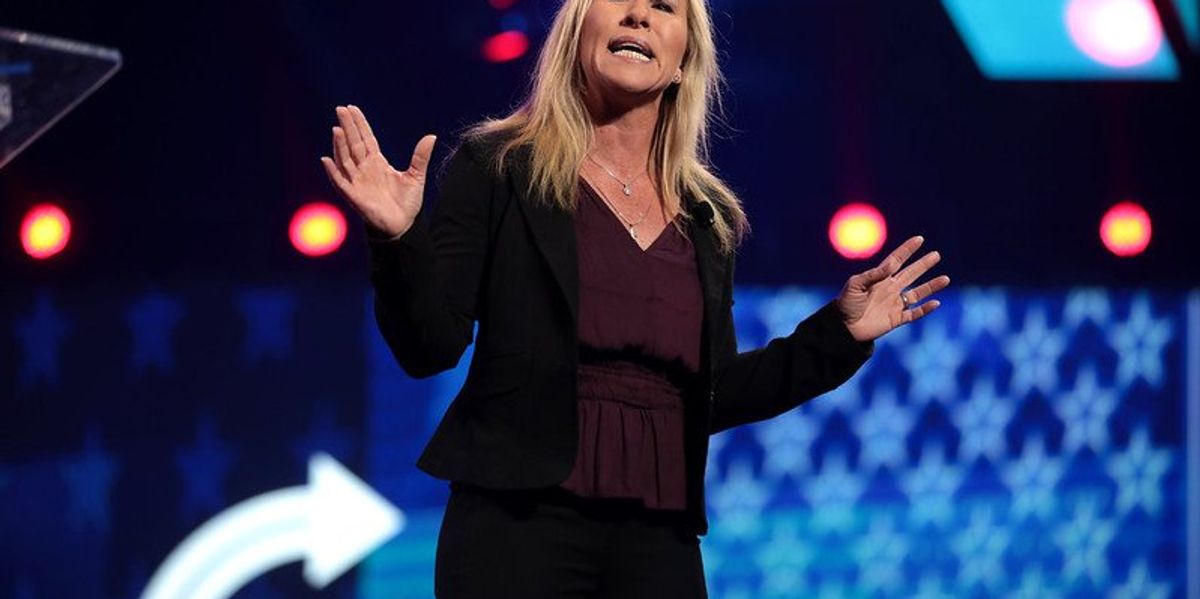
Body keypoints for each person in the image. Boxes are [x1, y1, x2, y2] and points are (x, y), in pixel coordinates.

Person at [321, 0, 950, 597]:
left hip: (659, 533)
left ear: (682, 61)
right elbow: (429, 346)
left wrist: (837, 336)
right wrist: (396, 237)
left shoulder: (707, 216)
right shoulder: (500, 165)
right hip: (517, 522)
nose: (639, 14)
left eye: (665, 7)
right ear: (577, 31)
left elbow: (713, 393)